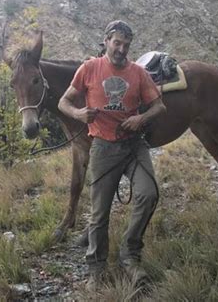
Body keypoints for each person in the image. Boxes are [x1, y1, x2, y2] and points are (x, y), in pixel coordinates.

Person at [58, 20, 166, 290]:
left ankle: (130, 254)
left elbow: (159, 107)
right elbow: (64, 101)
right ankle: (96, 267)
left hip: (133, 145)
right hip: (104, 147)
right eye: (117, 43)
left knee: (149, 193)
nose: (121, 49)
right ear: (106, 41)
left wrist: (140, 119)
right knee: (99, 213)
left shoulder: (138, 73)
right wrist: (79, 114)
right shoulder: (90, 68)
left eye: (126, 45)